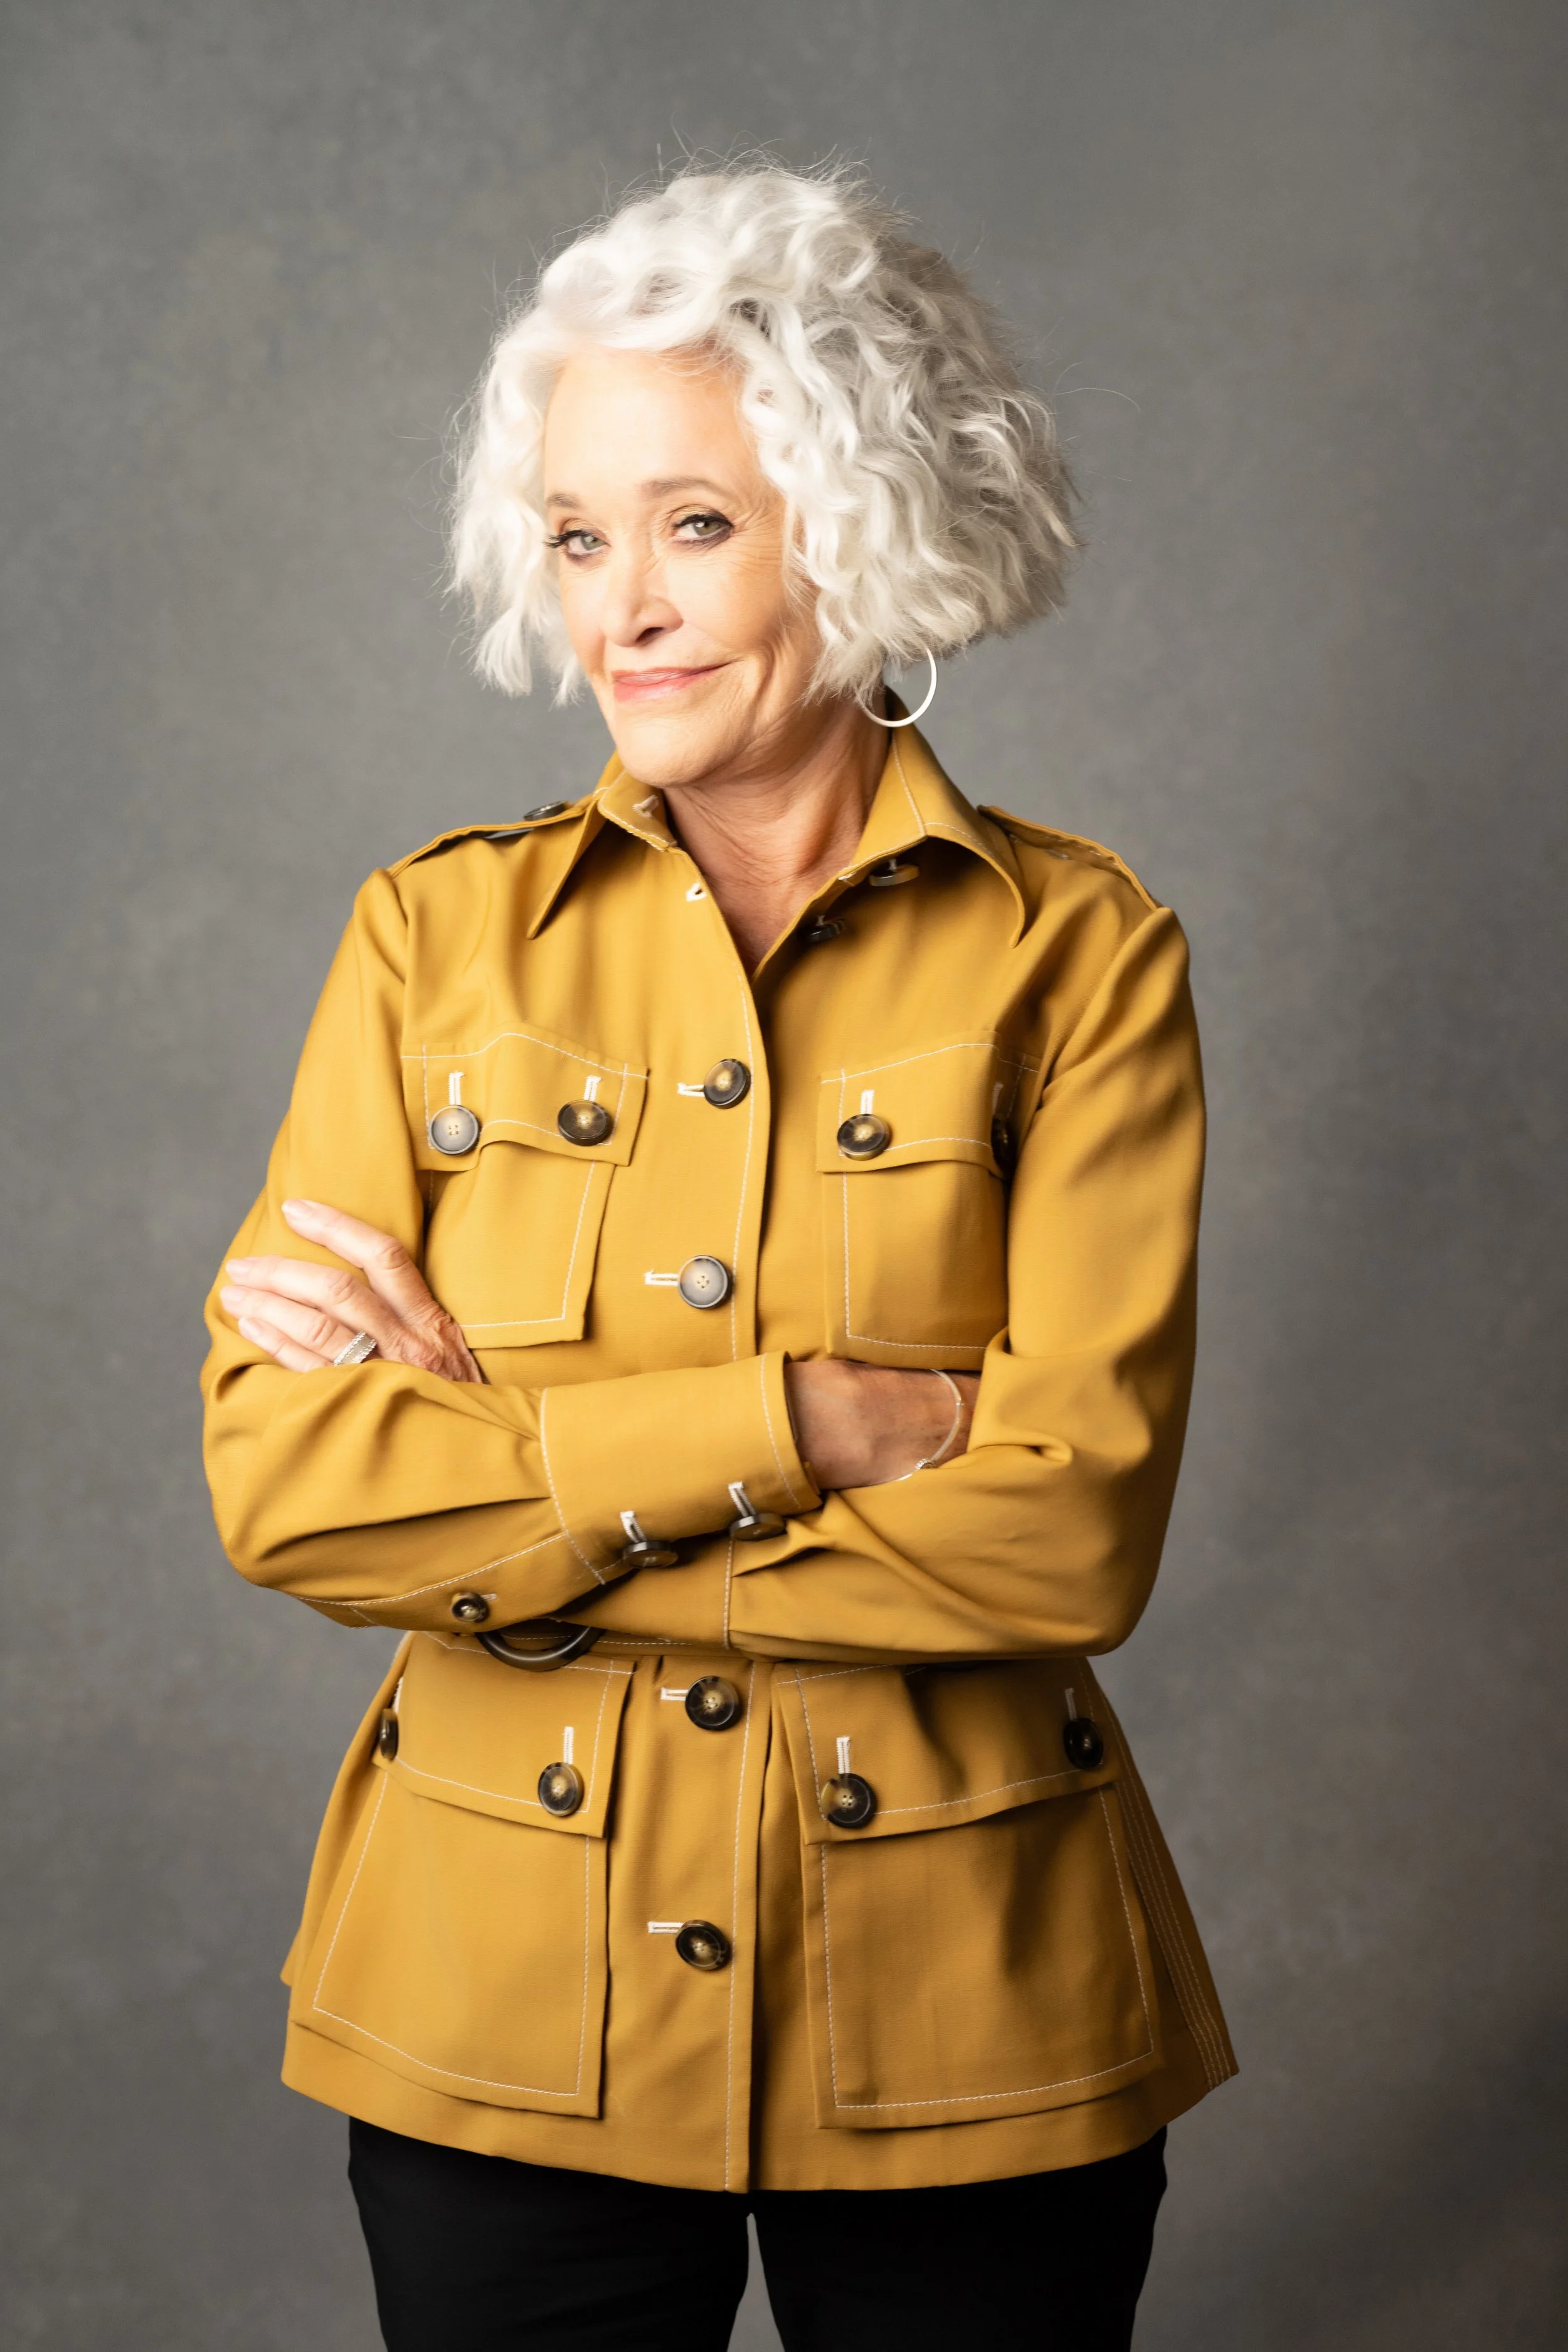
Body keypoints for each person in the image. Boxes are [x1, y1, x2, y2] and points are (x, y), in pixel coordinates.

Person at [201, 164, 1235, 2352]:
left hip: (969, 2009)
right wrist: (819, 1421)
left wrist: (517, 1470)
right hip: (492, 1995)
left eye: (694, 525)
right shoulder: (427, 939)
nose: (622, 608)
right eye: (579, 534)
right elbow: (292, 1488)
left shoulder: (1084, 951)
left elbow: (1065, 1547)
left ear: (858, 535)